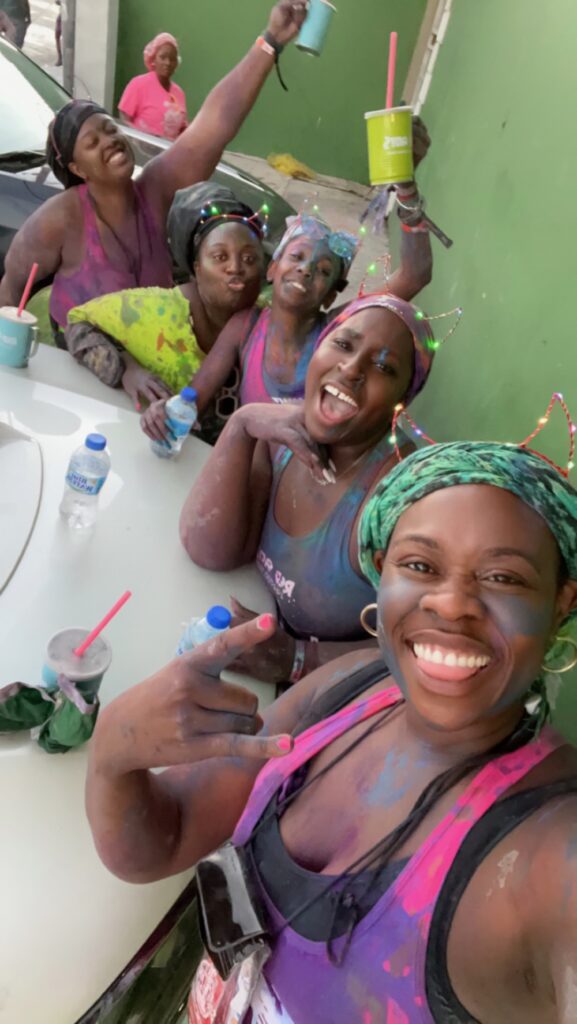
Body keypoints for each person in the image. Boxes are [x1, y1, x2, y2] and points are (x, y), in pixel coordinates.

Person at [86, 440, 577, 1023]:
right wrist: (115, 747)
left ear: (560, 603)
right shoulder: (349, 687)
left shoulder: (550, 857)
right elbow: (162, 841)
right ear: (382, 573)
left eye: (502, 577)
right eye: (420, 566)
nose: (450, 604)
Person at [0, 1, 308, 340]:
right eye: (92, 142)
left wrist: (271, 40)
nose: (110, 141)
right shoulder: (59, 219)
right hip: (80, 372)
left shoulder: (155, 192)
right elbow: (12, 288)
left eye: (110, 129)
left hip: (153, 364)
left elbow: (214, 126)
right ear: (77, 168)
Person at [179, 293, 436, 683]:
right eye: (344, 344)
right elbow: (210, 549)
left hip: (328, 701)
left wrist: (297, 659)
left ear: (402, 400)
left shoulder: (401, 500)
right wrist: (242, 425)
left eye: (384, 366)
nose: (350, 369)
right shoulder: (282, 434)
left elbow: (424, 645)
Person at [141, 123, 433, 444]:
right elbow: (193, 398)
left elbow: (415, 273)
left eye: (323, 271)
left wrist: (406, 189)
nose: (306, 271)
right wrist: (165, 410)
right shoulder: (245, 327)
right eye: (296, 258)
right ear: (273, 268)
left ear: (333, 293)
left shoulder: (337, 333)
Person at [63, 183, 265, 413]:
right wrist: (125, 369)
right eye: (220, 257)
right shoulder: (155, 311)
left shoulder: (271, 325)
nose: (235, 267)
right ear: (197, 268)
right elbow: (78, 323)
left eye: (249, 259)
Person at [118, 32, 188, 142]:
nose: (168, 63)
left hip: (168, 154)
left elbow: (182, 128)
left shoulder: (179, 93)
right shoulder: (138, 84)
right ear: (153, 59)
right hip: (141, 152)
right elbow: (124, 118)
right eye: (163, 57)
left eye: (172, 59)